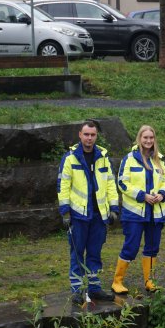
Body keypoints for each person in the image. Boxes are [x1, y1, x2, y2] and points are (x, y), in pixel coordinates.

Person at [57, 120, 120, 304]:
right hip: (78, 215)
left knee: (94, 252)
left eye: (92, 135)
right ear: (80, 135)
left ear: (96, 136)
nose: (89, 138)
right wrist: (65, 212)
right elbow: (63, 186)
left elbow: (110, 183)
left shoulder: (103, 157)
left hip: (99, 215)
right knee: (77, 254)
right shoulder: (69, 158)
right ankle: (77, 289)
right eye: (86, 134)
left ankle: (94, 288)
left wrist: (114, 208)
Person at [112, 125, 165, 294]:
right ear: (139, 139)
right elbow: (122, 183)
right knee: (131, 246)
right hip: (135, 213)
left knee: (152, 247)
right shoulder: (129, 159)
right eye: (145, 137)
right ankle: (117, 281)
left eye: (151, 138)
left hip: (156, 212)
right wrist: (142, 195)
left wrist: (162, 194)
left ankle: (149, 281)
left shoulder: (159, 159)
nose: (148, 141)